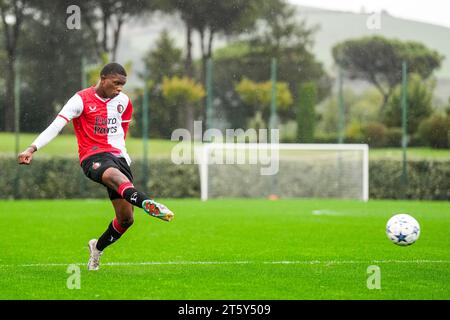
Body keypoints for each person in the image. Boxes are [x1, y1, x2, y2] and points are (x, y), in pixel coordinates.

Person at [17, 62, 174, 271]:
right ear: (103, 78)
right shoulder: (80, 99)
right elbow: (56, 126)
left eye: (123, 84)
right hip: (93, 157)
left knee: (126, 220)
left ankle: (97, 249)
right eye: (116, 83)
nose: (119, 88)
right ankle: (148, 204)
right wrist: (31, 148)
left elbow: (122, 130)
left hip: (119, 159)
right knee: (115, 177)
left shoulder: (124, 101)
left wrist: (123, 157)